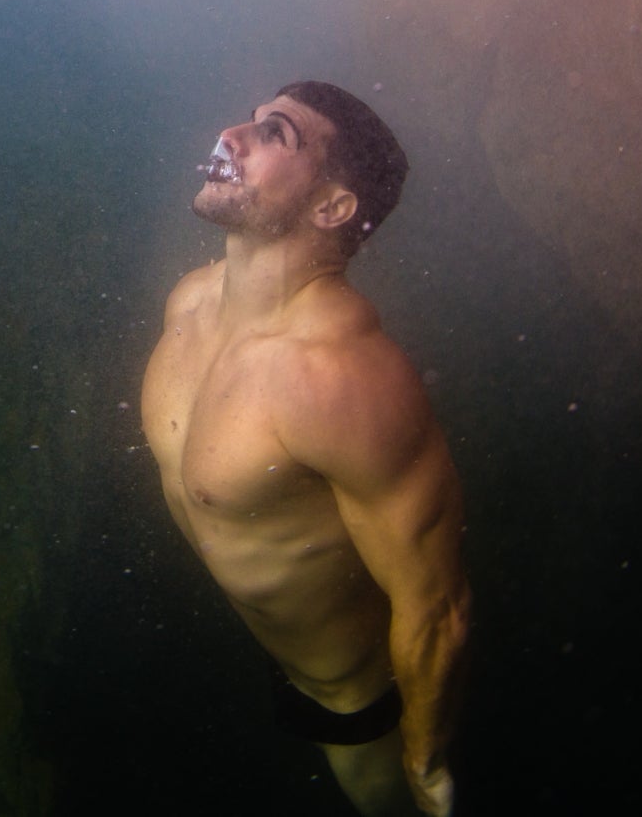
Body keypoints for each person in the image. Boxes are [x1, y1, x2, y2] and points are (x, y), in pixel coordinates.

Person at [141, 81, 470, 817]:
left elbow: (438, 606)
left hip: (351, 702)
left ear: (332, 206)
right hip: (254, 642)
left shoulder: (340, 377)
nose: (230, 134)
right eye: (250, 120)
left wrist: (427, 759)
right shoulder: (190, 299)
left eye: (275, 134)